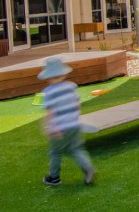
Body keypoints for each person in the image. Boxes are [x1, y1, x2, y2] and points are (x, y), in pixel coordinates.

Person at [39, 57, 96, 186]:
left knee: (55, 152)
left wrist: (48, 127)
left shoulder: (47, 92)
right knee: (76, 149)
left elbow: (50, 112)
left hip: (59, 128)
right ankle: (88, 169)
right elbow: (77, 104)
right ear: (63, 74)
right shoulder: (71, 87)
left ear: (48, 77)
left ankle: (54, 177)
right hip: (74, 124)